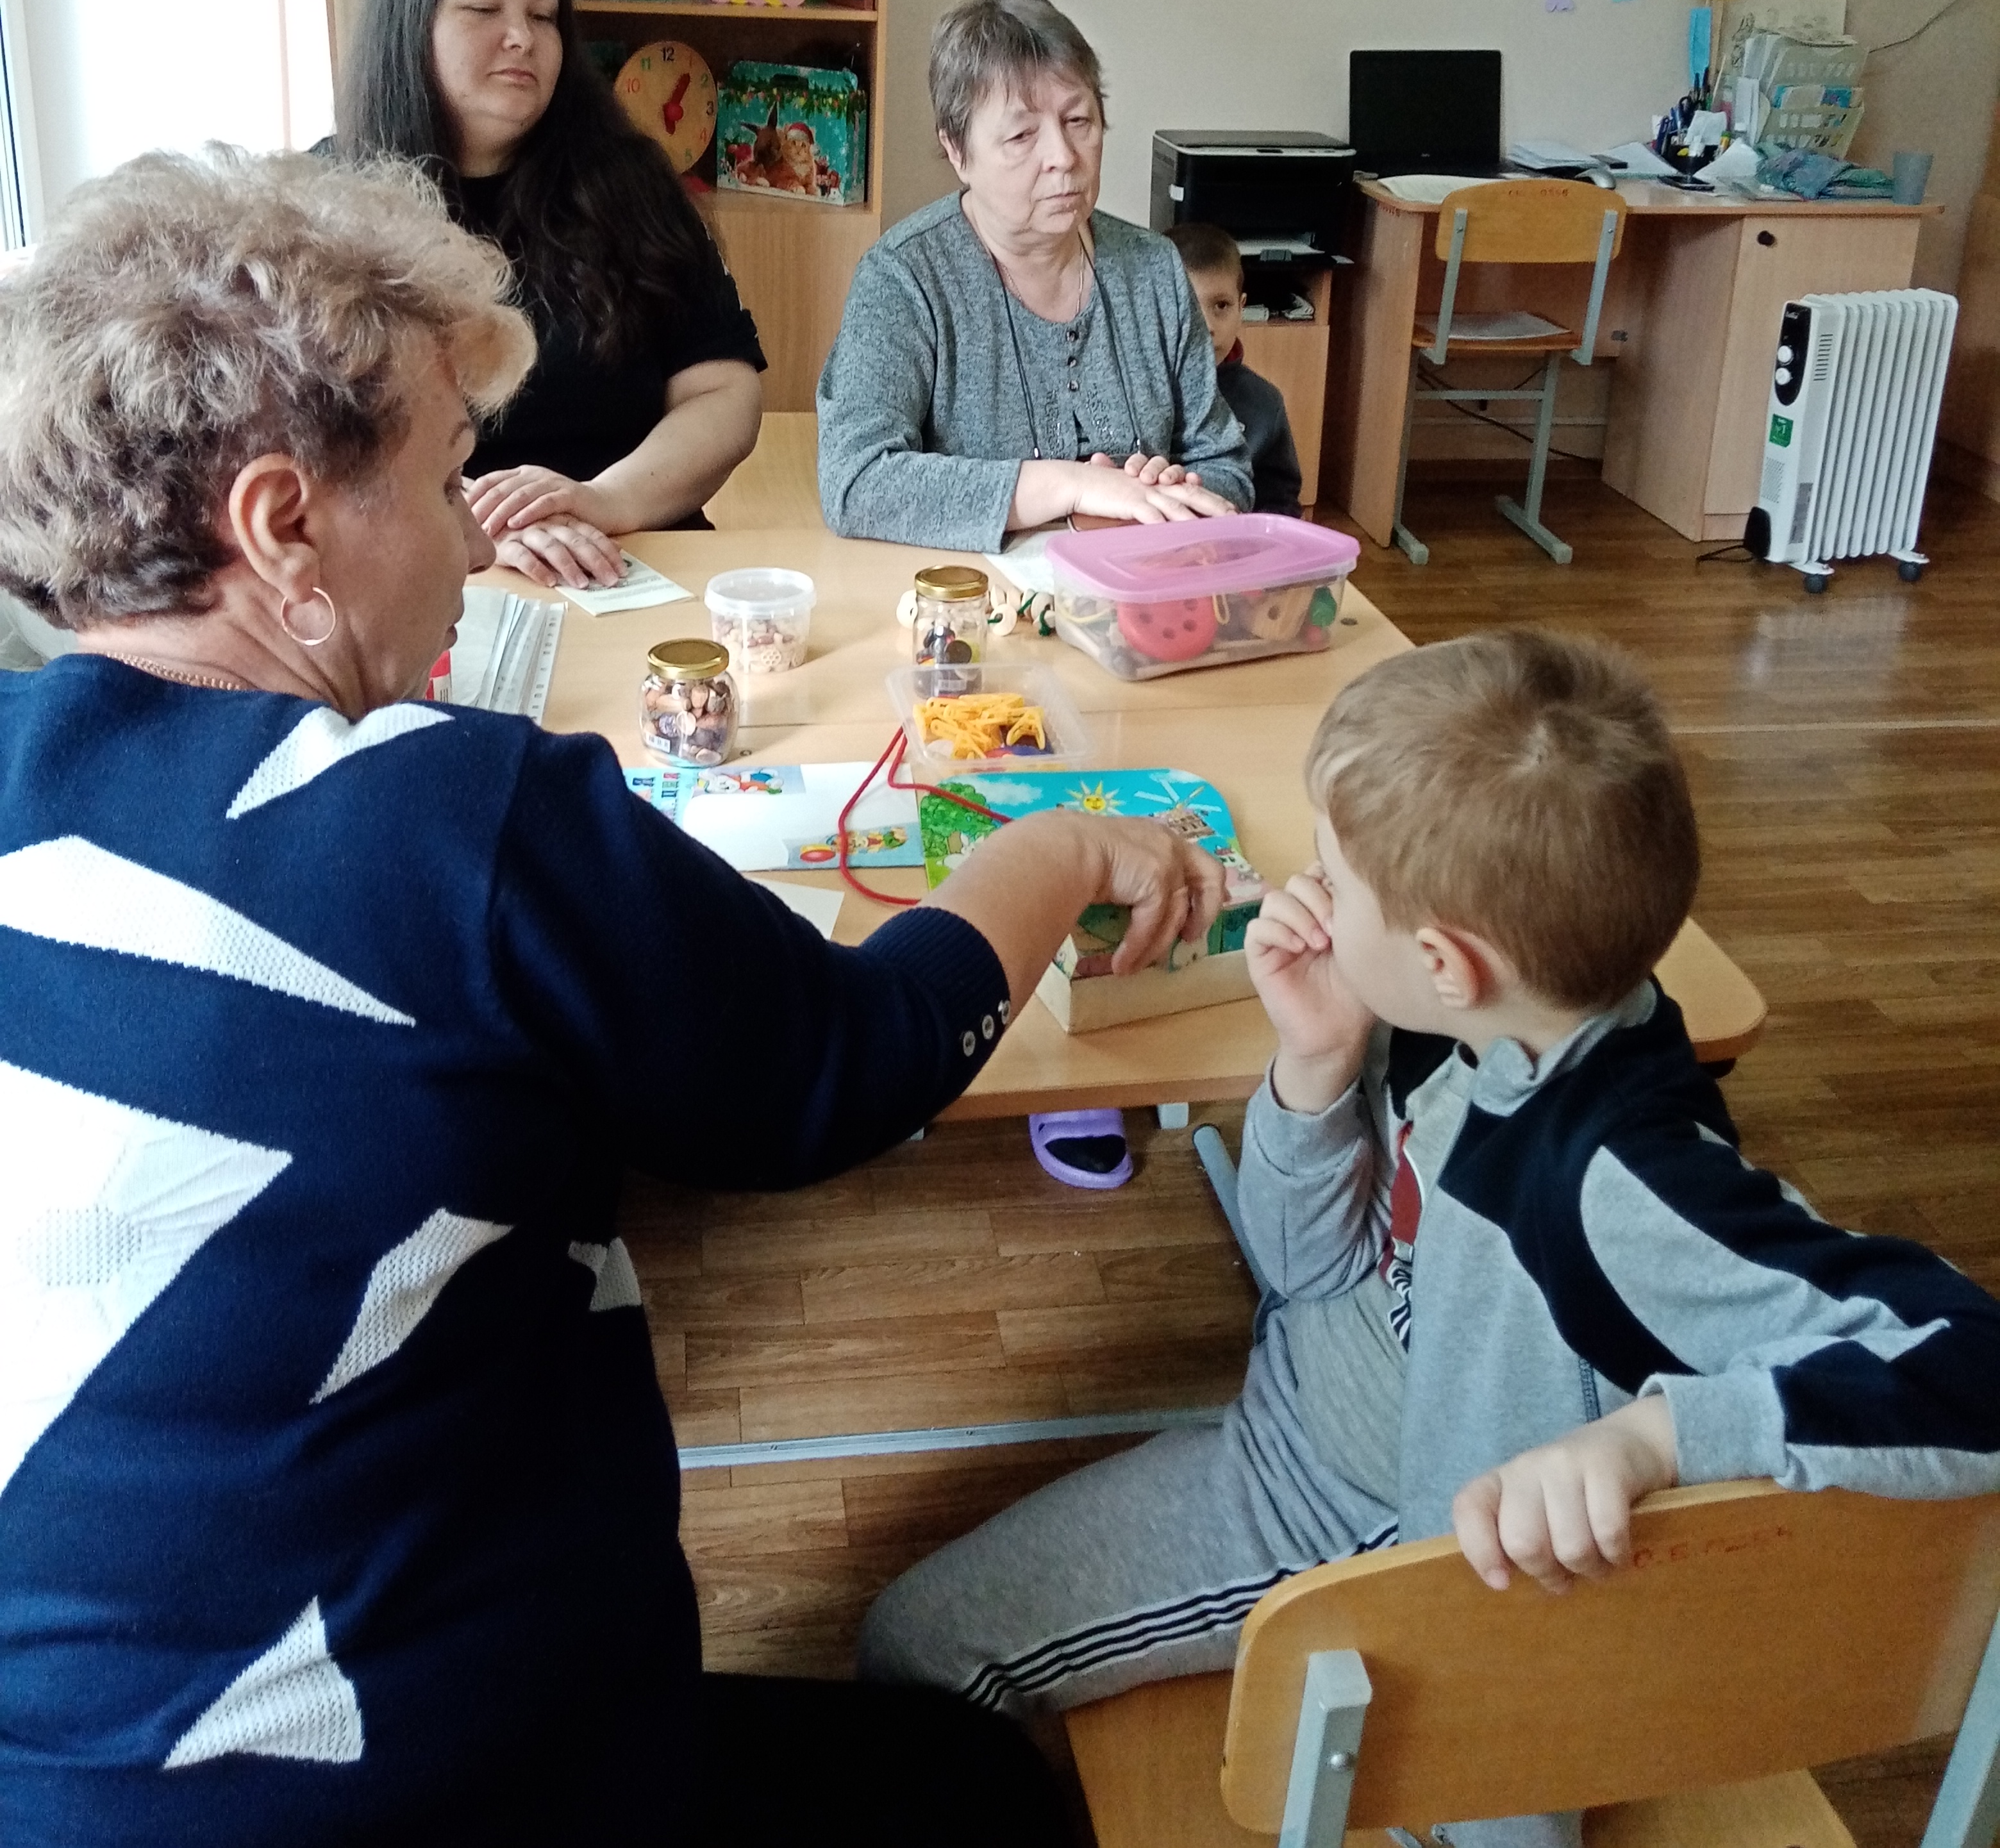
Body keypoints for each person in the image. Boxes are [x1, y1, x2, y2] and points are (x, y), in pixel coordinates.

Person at [0, 146, 1223, 1847]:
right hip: (412, 1792)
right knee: (985, 1795)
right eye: (446, 482)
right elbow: (844, 1070)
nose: (468, 543)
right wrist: (1067, 847)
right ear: (283, 528)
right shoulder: (454, 814)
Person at [858, 629, 2000, 1840]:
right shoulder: (1470, 1016)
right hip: (1318, 1423)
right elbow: (1306, 1272)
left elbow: (1975, 1368)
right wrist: (1314, 1065)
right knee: (917, 1646)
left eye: (1335, 880)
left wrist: (1655, 1438)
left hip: (1359, 1522)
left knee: (920, 1654)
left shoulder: (1625, 1183)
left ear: (1448, 961)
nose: (1307, 893)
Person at [337, 0, 764, 589]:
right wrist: (472, 527)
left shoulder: (630, 183)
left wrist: (605, 501)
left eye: (543, 15)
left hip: (629, 556)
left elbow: (723, 390)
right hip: (430, 577)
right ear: (406, 24)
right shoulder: (326, 209)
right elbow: (301, 445)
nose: (523, 37)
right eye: (484, 9)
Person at [817, 0, 1253, 551]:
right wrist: (1072, 486)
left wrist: (1174, 490)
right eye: (1023, 134)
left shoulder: (1154, 271)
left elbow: (1225, 465)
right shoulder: (904, 279)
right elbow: (857, 482)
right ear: (957, 151)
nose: (1063, 158)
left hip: (1131, 590)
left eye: (1079, 121)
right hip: (972, 597)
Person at [1169, 220, 1303, 516]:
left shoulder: (1265, 402)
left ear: (1242, 308)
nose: (1207, 326)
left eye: (1221, 306)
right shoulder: (1137, 391)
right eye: (1188, 306)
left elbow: (1280, 501)